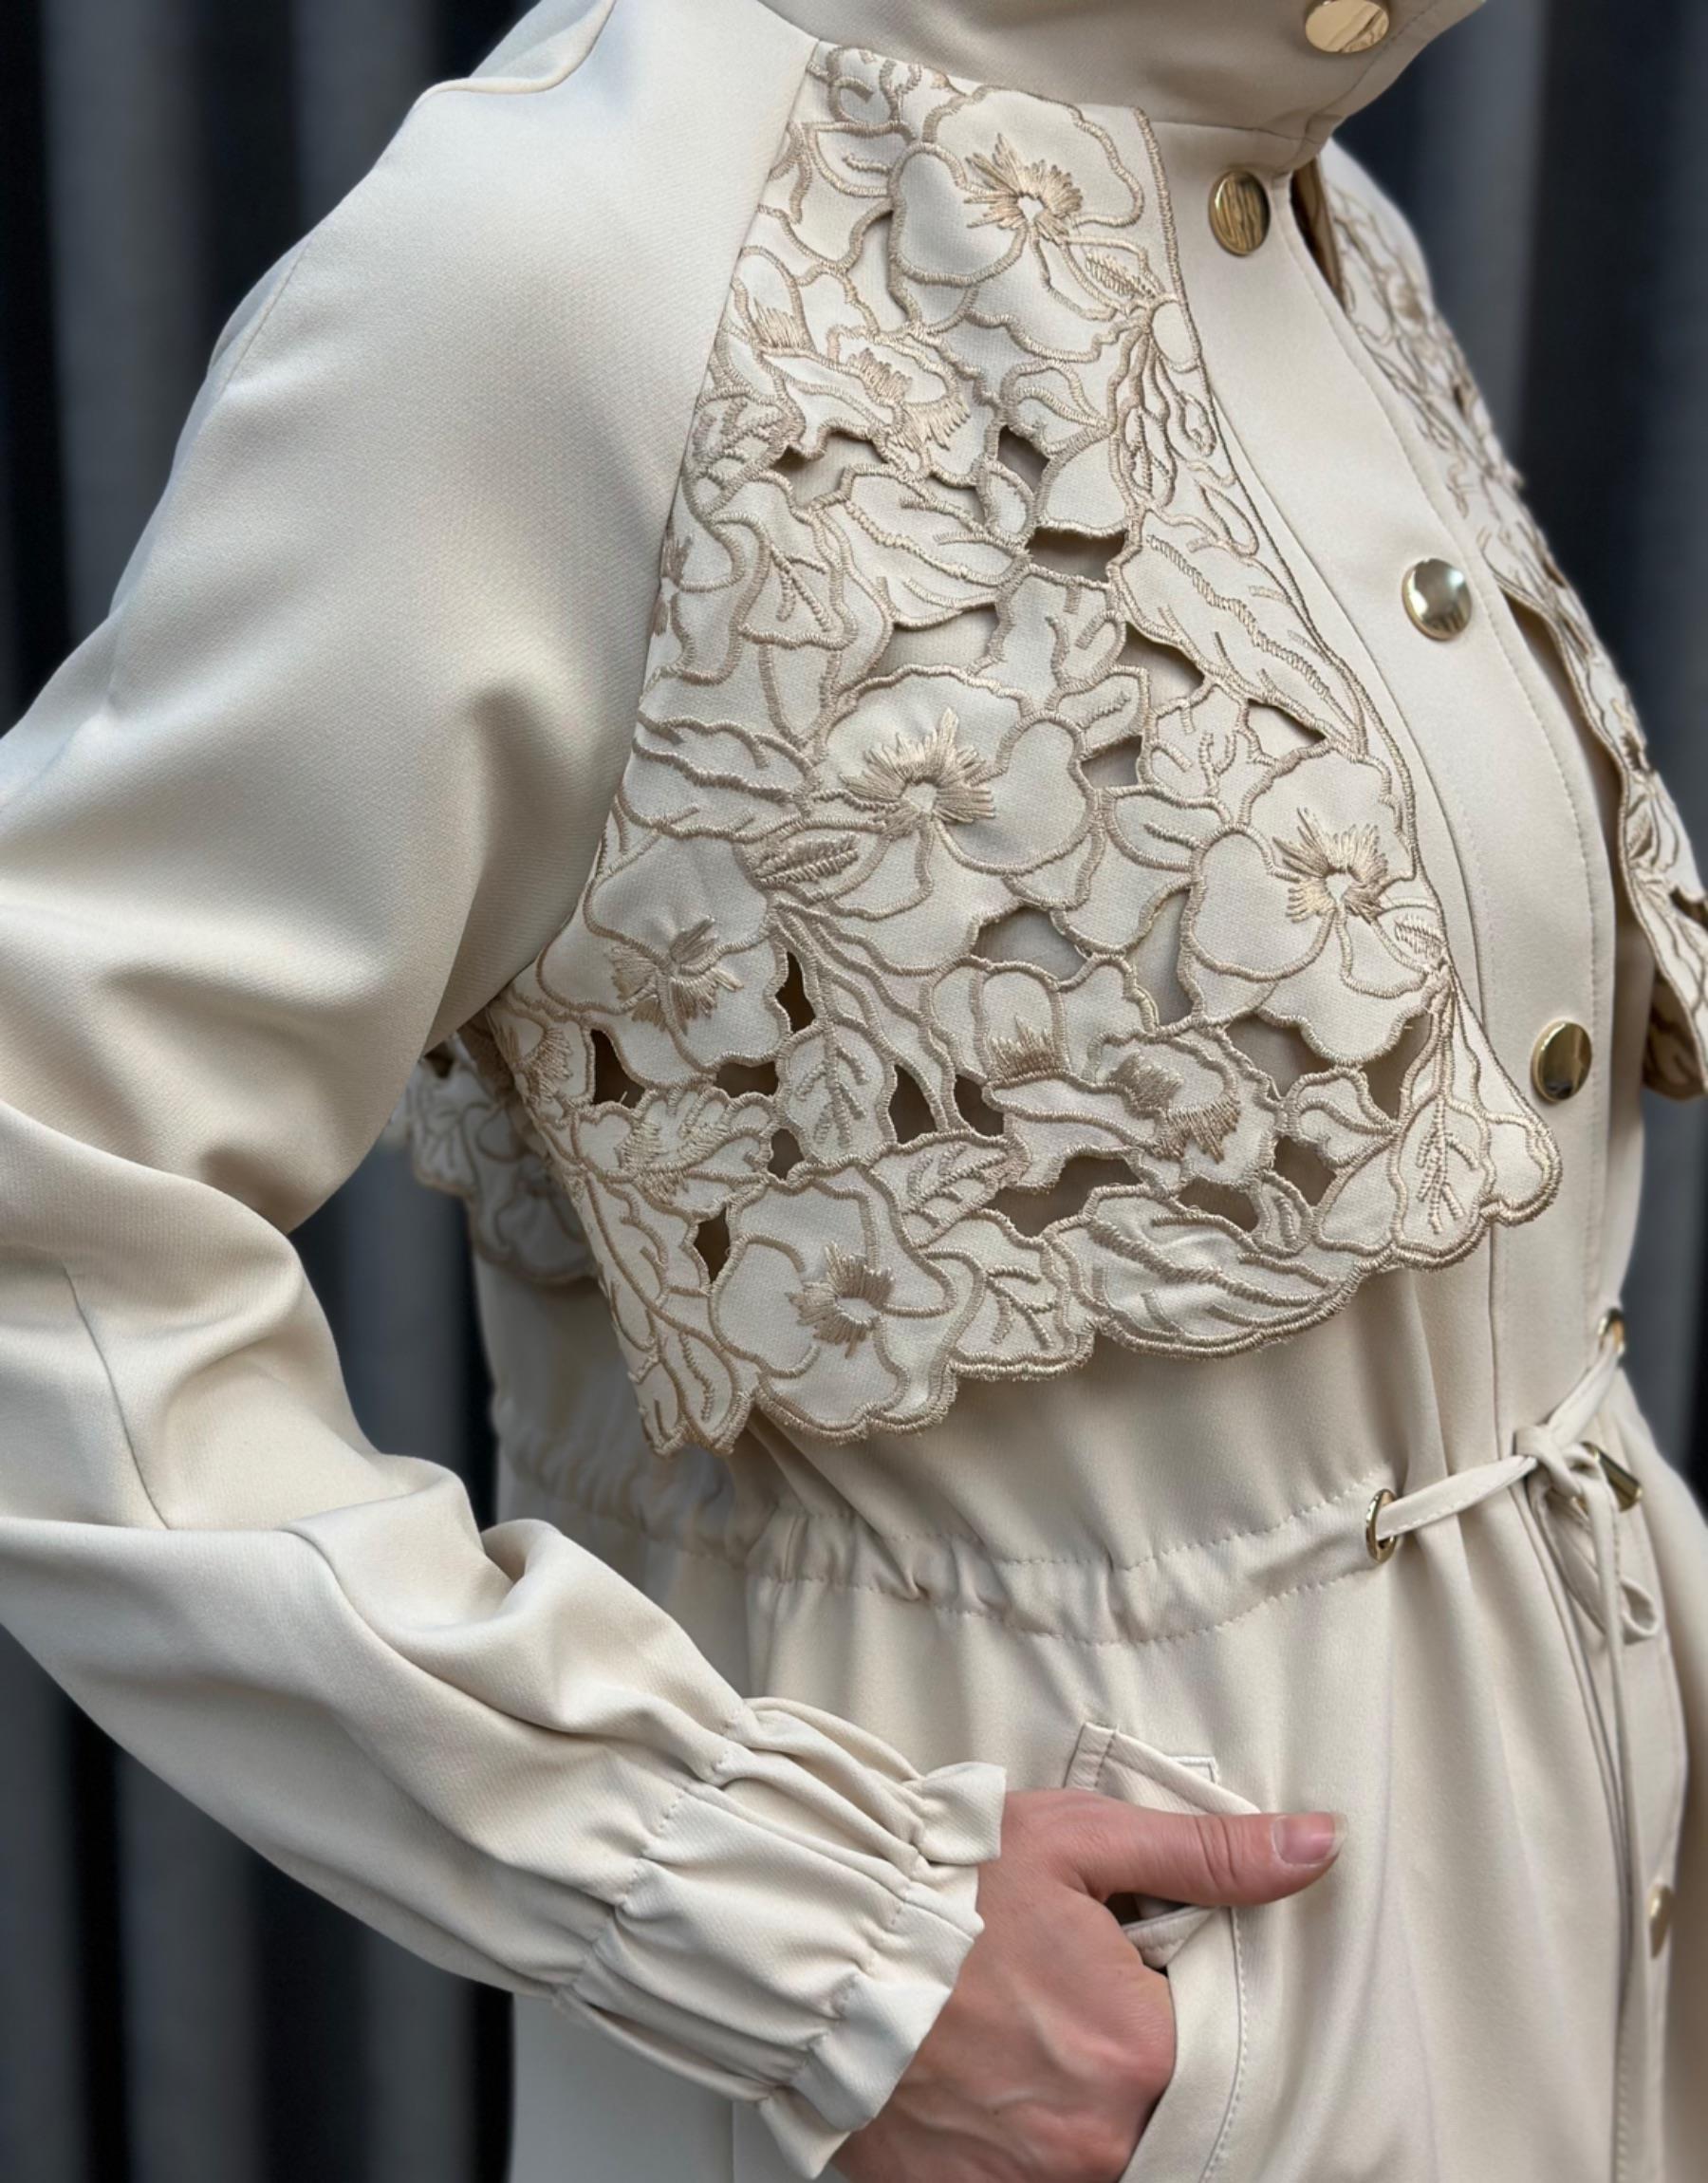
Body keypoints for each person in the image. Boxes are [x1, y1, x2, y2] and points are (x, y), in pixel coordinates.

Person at [2, 0, 1703, 2176]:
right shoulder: (569, 257)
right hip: (1055, 2090)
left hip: (1574, 1995)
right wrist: (812, 1942)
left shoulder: (1311, 201)